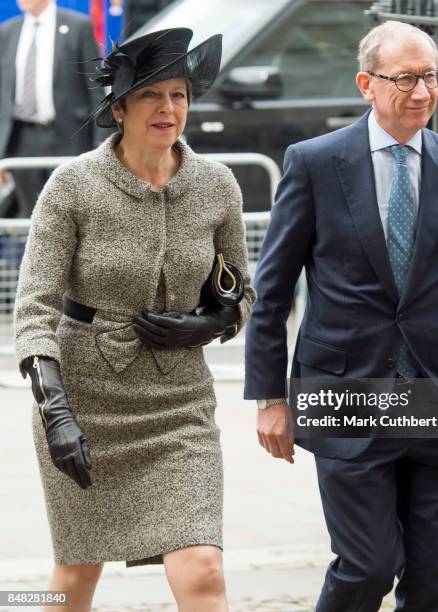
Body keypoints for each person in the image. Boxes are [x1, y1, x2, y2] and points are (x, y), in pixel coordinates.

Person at [244, 20, 438, 611]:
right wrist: (270, 397)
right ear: (366, 84)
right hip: (347, 393)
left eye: (431, 77)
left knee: (431, 583)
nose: (421, 92)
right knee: (368, 566)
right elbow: (271, 291)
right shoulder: (315, 163)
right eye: (405, 79)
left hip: (436, 393)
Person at [14, 27, 255, 612]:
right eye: (151, 95)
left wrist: (209, 325)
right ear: (118, 108)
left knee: (202, 569)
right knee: (74, 580)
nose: (169, 109)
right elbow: (34, 309)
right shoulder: (72, 186)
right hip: (84, 403)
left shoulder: (216, 184)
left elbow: (242, 292)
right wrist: (57, 414)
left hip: (179, 404)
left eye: (179, 94)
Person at [0, 0, 103, 217]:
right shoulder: (7, 32)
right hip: (21, 142)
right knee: (32, 219)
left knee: (72, 215)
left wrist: (102, 146)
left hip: (69, 139)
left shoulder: (78, 27)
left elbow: (96, 91)